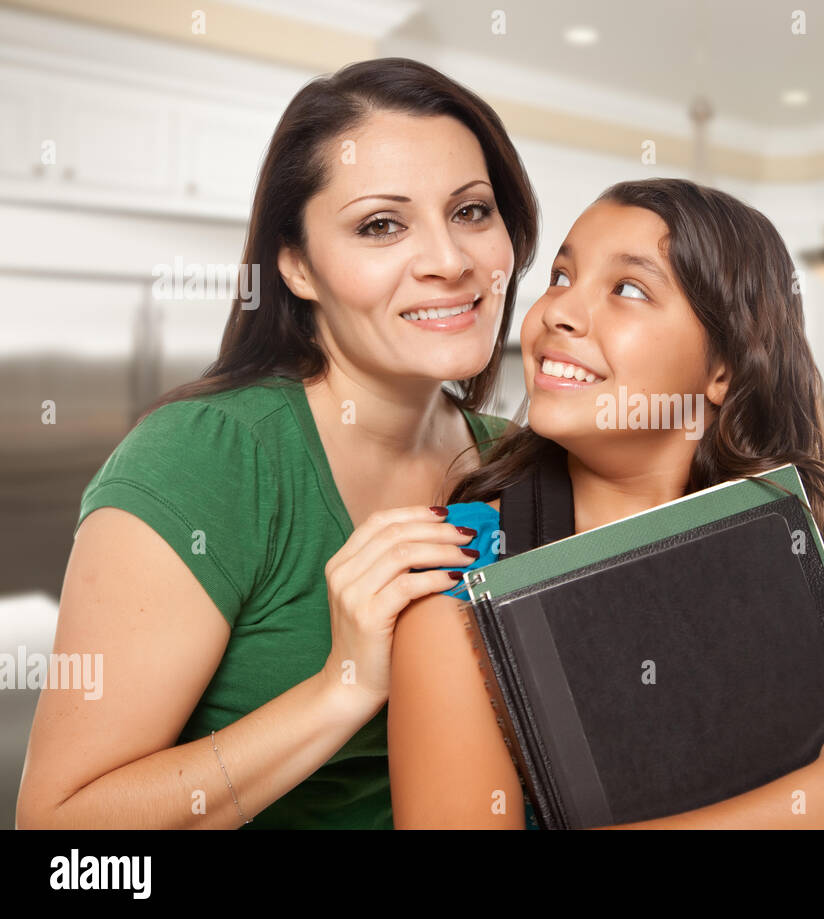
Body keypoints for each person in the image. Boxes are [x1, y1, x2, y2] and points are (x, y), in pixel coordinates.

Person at [388, 178, 824, 830]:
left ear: (723, 369)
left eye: (629, 288)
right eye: (562, 275)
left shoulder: (814, 537)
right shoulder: (454, 580)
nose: (557, 312)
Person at [16, 58, 538, 829]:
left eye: (470, 211)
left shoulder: (519, 461)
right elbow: (63, 838)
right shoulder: (208, 459)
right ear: (296, 266)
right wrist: (345, 684)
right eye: (381, 225)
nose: (450, 260)